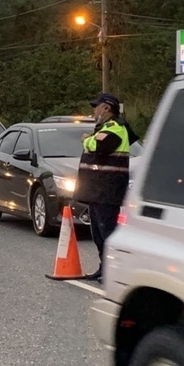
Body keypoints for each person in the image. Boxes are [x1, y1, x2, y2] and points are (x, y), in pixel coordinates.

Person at [75, 93, 133, 282]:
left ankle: (114, 271)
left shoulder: (117, 128)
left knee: (108, 232)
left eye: (96, 106)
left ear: (106, 108)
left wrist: (86, 140)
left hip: (107, 190)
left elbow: (99, 147)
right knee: (98, 234)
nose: (94, 110)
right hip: (97, 190)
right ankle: (104, 267)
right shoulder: (103, 128)